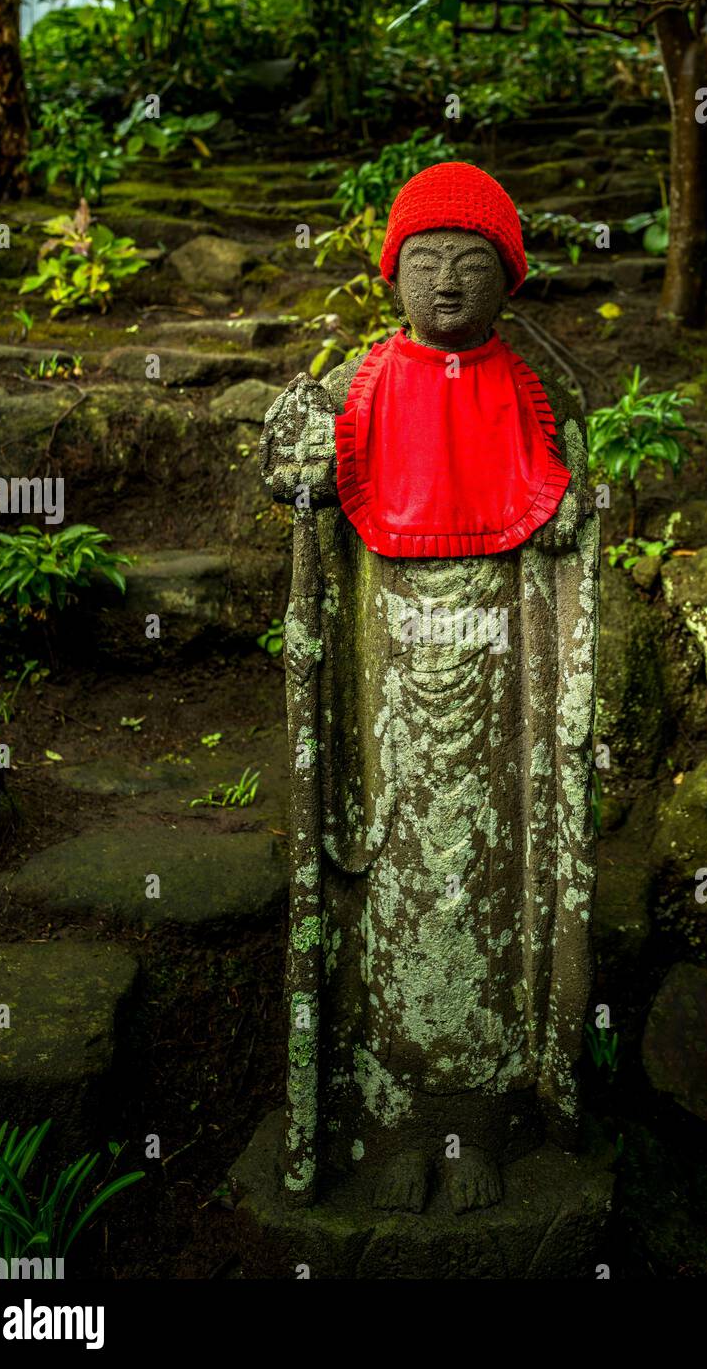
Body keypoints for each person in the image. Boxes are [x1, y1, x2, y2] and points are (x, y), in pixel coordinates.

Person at [259, 161, 599, 1214]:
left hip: (502, 680)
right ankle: (394, 1105)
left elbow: (571, 524)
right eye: (424, 263)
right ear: (391, 274)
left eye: (469, 264)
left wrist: (574, 519)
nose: (446, 284)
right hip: (386, 669)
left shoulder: (538, 388)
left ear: (509, 278)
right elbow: (305, 478)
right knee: (391, 876)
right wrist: (301, 457)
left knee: (494, 879)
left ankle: (484, 1111)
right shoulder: (364, 382)